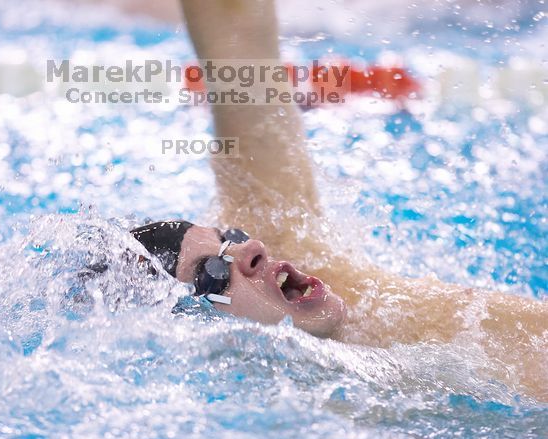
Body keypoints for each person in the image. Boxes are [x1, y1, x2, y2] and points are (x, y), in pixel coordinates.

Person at [130, 0, 547, 401]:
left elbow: (234, 27)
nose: (252, 247)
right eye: (215, 272)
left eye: (230, 235)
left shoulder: (285, 236)